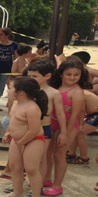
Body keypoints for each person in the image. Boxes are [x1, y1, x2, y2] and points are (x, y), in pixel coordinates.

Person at [0, 77, 49, 197]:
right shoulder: (15, 103)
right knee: (15, 167)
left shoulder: (32, 108)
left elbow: (34, 130)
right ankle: (17, 192)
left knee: (31, 169)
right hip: (17, 140)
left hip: (33, 141)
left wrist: (22, 142)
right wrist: (8, 132)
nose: (8, 90)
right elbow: (13, 120)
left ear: (21, 93)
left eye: (11, 88)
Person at [43, 57, 88, 197]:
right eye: (69, 74)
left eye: (76, 74)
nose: (72, 77)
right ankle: (46, 179)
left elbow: (75, 115)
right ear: (61, 74)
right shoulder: (56, 87)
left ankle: (57, 185)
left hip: (69, 126)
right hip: (52, 123)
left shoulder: (77, 92)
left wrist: (65, 133)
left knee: (59, 154)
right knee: (47, 153)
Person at [26, 60, 67, 188]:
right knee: (24, 156)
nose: (31, 79)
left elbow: (60, 114)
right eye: (29, 76)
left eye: (34, 76)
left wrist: (63, 132)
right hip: (26, 127)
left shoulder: (54, 93)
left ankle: (39, 183)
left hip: (43, 128)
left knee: (42, 156)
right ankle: (24, 180)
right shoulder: (26, 90)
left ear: (47, 76)